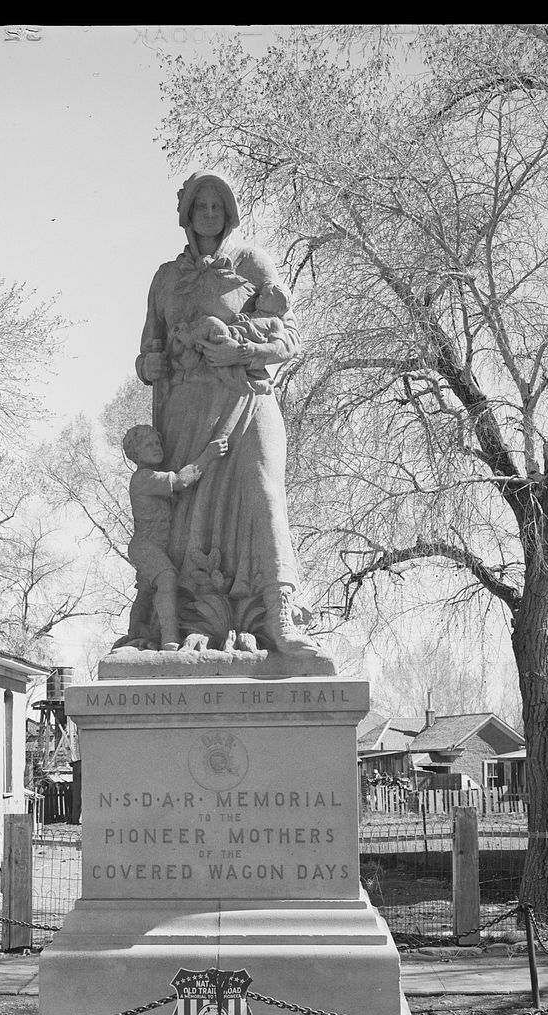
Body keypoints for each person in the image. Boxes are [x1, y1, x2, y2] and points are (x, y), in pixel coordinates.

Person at [130, 170, 326, 657]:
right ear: (187, 215)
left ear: (230, 213)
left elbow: (289, 338)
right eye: (202, 207)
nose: (210, 215)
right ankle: (185, 622)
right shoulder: (166, 278)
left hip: (247, 398)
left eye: (218, 207)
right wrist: (148, 362)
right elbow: (147, 351)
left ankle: (279, 610)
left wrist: (237, 350)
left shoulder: (252, 264)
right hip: (185, 411)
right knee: (190, 517)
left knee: (264, 491)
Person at [122, 423, 228, 651]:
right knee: (167, 578)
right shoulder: (143, 478)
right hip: (145, 545)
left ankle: (136, 632)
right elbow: (181, 481)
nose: (156, 447)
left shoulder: (153, 478)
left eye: (158, 442)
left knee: (146, 591)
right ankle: (169, 637)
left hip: (157, 546)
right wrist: (208, 456)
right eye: (148, 445)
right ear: (136, 453)